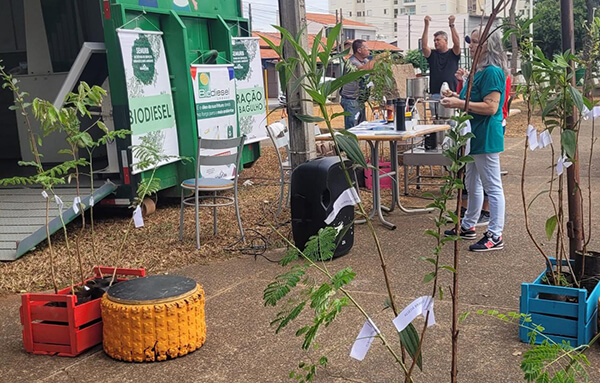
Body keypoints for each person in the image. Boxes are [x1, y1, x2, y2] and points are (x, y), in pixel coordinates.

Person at [441, 29, 507, 252]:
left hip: (486, 135)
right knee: (473, 181)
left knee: (492, 185)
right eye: (471, 41)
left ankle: (495, 234)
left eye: (476, 42)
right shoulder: (480, 72)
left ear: (488, 46)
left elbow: (491, 107)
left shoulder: (492, 72)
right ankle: (468, 225)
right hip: (475, 134)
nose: (471, 45)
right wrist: (455, 96)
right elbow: (471, 100)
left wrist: (459, 104)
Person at [340, 40, 376, 129]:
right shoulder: (351, 62)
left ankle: (357, 143)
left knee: (361, 127)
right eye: (366, 48)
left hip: (359, 100)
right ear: (359, 50)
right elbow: (362, 70)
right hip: (350, 100)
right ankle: (349, 143)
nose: (369, 50)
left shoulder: (365, 61)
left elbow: (372, 68)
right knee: (352, 129)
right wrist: (377, 59)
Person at [422, 15, 461, 95]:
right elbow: (424, 46)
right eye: (434, 40)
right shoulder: (432, 55)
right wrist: (426, 25)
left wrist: (452, 25)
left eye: (438, 40)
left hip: (452, 93)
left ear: (446, 41)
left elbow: (457, 43)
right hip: (435, 94)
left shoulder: (453, 53)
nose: (436, 42)